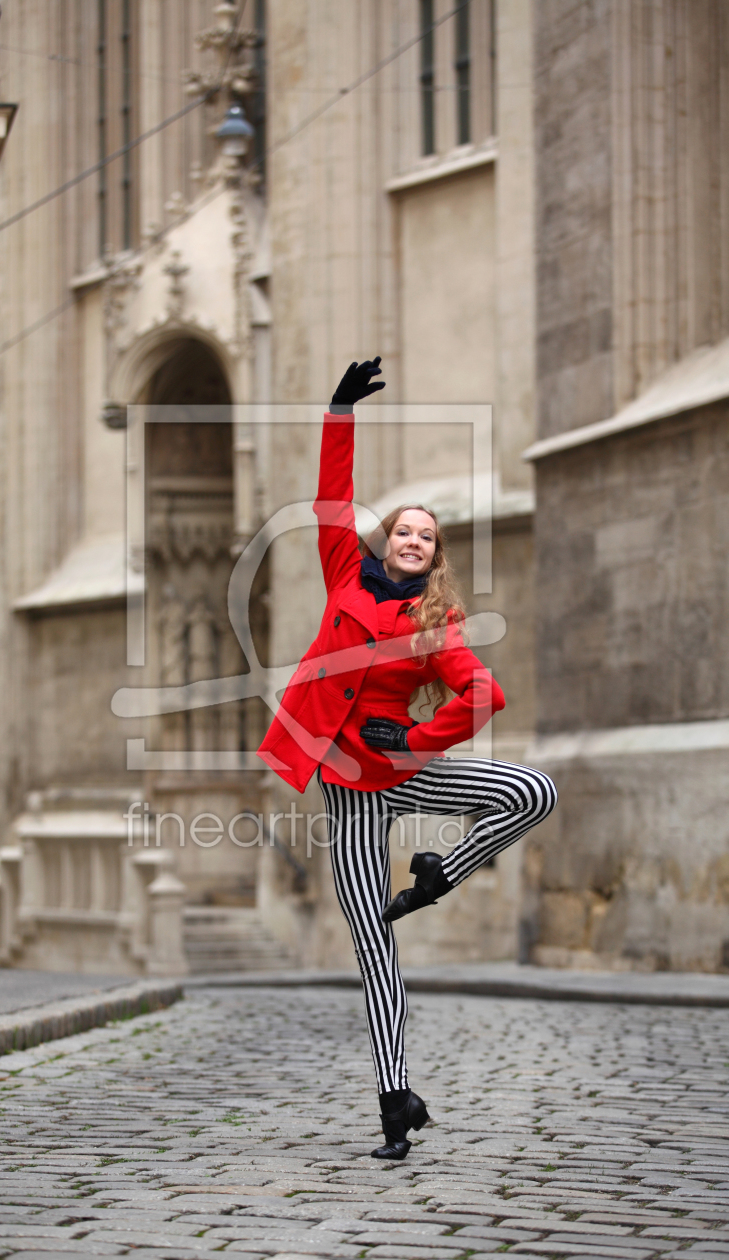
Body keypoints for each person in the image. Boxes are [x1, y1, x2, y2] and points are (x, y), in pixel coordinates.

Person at [258, 357, 557, 1160]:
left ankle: (441, 874)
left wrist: (421, 741)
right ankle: (396, 1098)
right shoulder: (341, 576)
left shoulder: (438, 622)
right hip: (347, 788)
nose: (415, 540)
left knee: (532, 789)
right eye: (404, 529)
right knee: (373, 947)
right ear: (387, 541)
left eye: (428, 534)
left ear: (435, 553)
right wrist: (339, 413)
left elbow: (484, 695)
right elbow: (329, 503)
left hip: (408, 770)